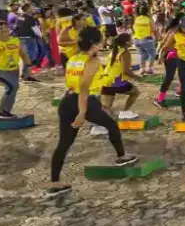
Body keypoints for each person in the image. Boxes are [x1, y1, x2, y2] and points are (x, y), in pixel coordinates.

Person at [48, 27, 138, 198]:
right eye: (101, 39)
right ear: (96, 43)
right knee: (112, 125)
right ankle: (122, 157)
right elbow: (84, 89)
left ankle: (54, 183)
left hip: (67, 101)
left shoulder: (74, 58)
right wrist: (82, 113)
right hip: (82, 101)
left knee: (64, 143)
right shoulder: (92, 61)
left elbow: (75, 85)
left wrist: (95, 106)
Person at [97, 33, 141, 129]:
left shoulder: (113, 51)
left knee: (106, 108)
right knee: (135, 92)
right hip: (116, 82)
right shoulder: (125, 53)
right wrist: (138, 77)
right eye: (131, 39)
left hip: (106, 81)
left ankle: (99, 127)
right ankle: (125, 112)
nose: (132, 41)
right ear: (126, 42)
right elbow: (126, 71)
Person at [13, 2, 42, 82]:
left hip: (21, 39)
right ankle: (27, 75)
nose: (33, 9)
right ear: (28, 9)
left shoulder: (19, 17)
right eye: (32, 7)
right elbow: (37, 31)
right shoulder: (30, 18)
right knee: (31, 56)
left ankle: (24, 74)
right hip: (30, 39)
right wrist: (41, 36)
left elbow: (16, 28)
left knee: (26, 56)